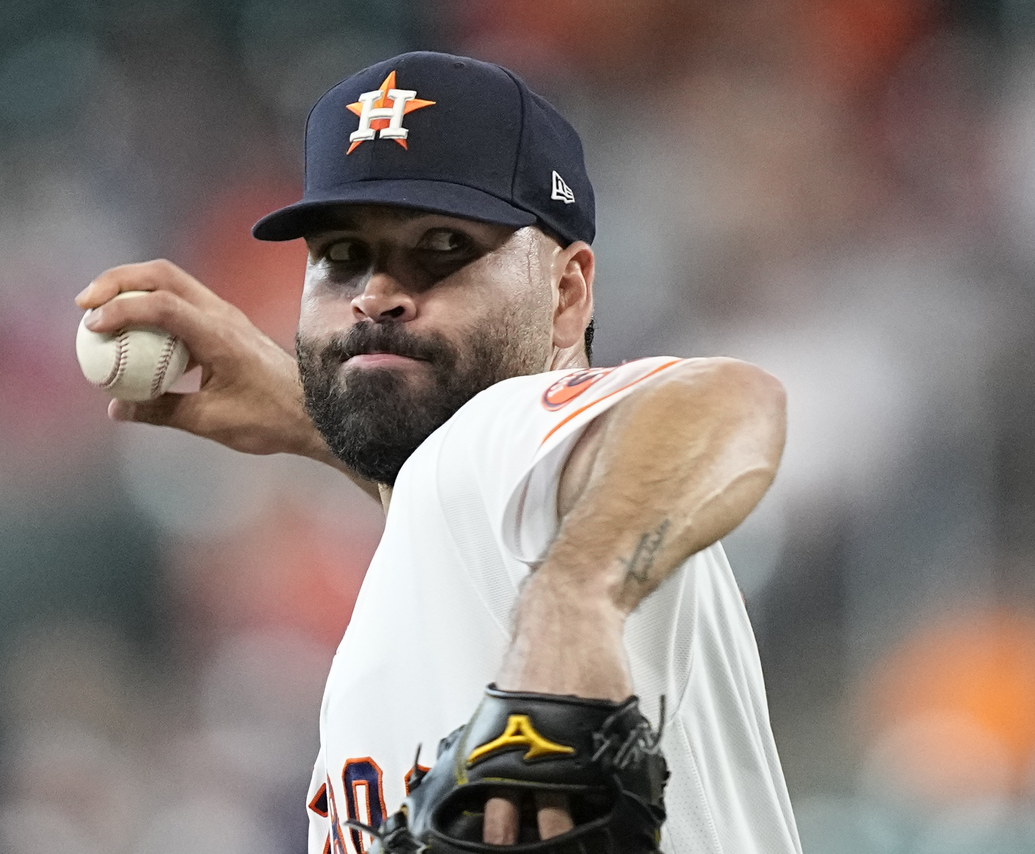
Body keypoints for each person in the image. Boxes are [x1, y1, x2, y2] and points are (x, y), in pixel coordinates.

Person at [76, 52, 802, 853]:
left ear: (566, 295)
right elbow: (450, 496)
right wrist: (309, 416)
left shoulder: (505, 432)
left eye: (443, 246)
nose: (375, 295)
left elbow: (725, 401)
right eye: (341, 256)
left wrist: (573, 609)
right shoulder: (456, 516)